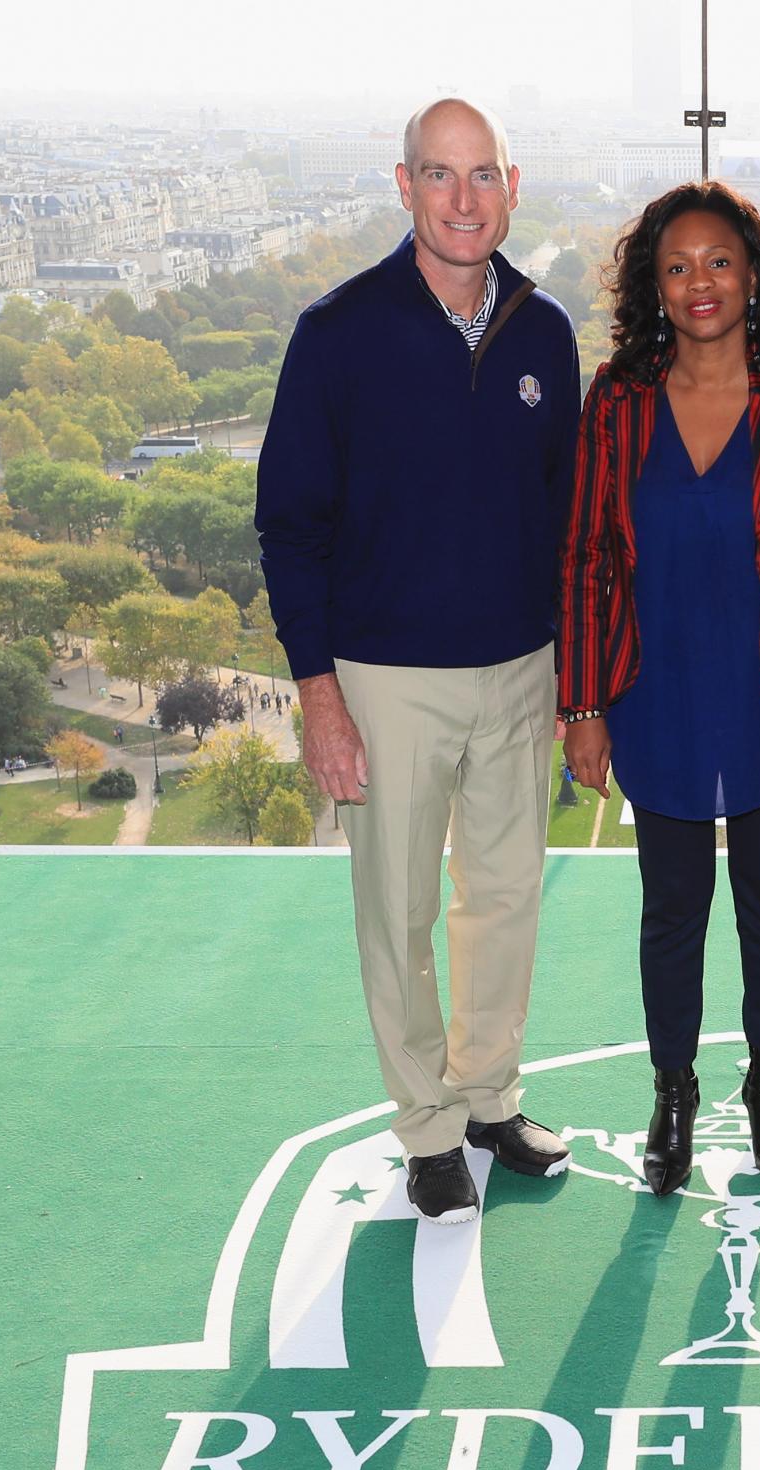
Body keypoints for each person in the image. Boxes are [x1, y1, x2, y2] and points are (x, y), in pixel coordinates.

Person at [256, 98, 579, 1226]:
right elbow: (288, 525)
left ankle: (487, 1096)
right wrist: (318, 694)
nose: (460, 199)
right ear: (403, 187)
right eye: (438, 176)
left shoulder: (544, 330)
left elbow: (566, 517)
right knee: (396, 912)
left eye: (480, 175)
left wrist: (571, 679)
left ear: (512, 184)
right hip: (386, 678)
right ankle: (428, 1127)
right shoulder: (337, 333)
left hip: (519, 670)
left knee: (503, 897)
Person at [560, 181, 760, 1198]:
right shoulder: (615, 398)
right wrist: (584, 705)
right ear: (654, 285)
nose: (701, 284)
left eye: (720, 262)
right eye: (678, 266)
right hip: (655, 694)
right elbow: (587, 561)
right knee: (671, 912)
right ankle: (672, 1092)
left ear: (755, 274)